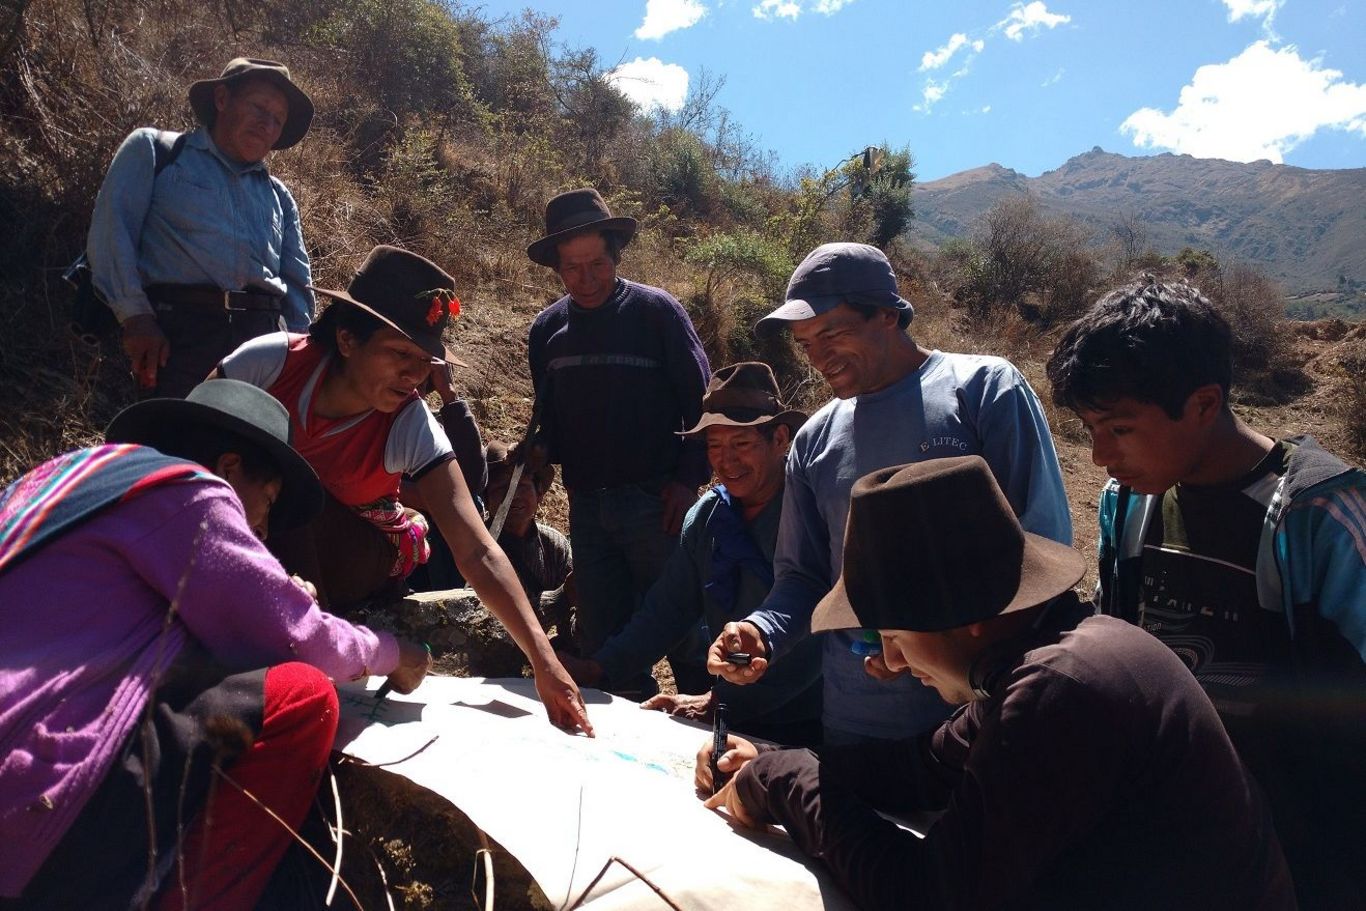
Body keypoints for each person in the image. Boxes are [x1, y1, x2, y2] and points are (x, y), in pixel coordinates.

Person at [699, 456, 1296, 911]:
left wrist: (785, 783)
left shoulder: (1062, 687)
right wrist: (777, 759)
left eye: (893, 633)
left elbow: (931, 895)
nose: (893, 661)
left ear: (967, 617)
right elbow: (923, 768)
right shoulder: (1049, 652)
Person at [0, 379, 431, 909]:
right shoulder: (186, 491)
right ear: (229, 469)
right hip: (33, 791)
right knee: (303, 695)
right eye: (267, 501)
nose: (264, 529)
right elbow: (302, 641)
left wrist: (273, 595)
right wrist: (394, 652)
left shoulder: (62, 483)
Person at [1046, 275, 1366, 908]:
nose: (1098, 456)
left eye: (1119, 429)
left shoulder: (1317, 515)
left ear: (1203, 403)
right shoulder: (1128, 506)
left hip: (1302, 859)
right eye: (1089, 429)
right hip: (1174, 842)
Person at [216, 244, 592, 734]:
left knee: (301, 498)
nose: (414, 375)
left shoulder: (410, 424)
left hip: (353, 554)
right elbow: (186, 444)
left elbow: (476, 547)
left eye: (424, 360)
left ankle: (301, 671)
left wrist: (545, 662)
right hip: (251, 536)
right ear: (348, 339)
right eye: (399, 354)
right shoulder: (269, 364)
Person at [709, 243, 1071, 744]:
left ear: (886, 314)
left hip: (982, 715)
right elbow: (805, 576)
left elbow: (1040, 549)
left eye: (832, 333)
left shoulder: (983, 390)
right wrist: (762, 631)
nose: (818, 357)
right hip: (855, 719)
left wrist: (932, 648)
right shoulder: (815, 439)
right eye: (805, 343)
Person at [559, 363, 823, 746]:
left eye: (742, 444)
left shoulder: (811, 514)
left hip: (814, 719)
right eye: (715, 446)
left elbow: (815, 635)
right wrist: (599, 668)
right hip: (736, 712)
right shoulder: (707, 518)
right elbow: (668, 610)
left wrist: (719, 700)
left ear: (780, 439)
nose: (726, 460)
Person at [526, 188, 712, 696]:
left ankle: (711, 731)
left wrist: (686, 480)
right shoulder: (548, 330)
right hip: (587, 508)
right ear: (557, 269)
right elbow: (550, 419)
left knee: (683, 629)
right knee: (605, 636)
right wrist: (540, 457)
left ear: (616, 255)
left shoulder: (658, 313)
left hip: (658, 504)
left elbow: (702, 403)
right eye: (572, 268)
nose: (586, 279)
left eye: (597, 264)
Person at [87, 58, 316, 397]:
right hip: (180, 335)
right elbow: (112, 233)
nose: (267, 124)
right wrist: (136, 316)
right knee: (172, 441)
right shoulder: (157, 151)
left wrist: (296, 358)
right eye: (259, 107)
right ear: (222, 99)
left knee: (243, 447)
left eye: (277, 119)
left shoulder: (279, 196)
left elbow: (298, 287)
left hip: (262, 343)